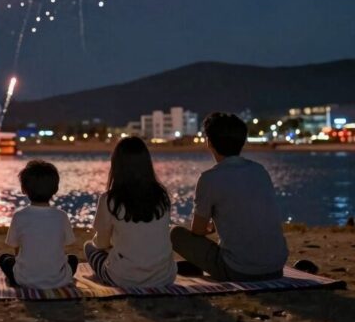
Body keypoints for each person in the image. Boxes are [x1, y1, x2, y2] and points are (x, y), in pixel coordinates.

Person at [171, 112, 289, 281]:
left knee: (175, 233)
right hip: (276, 268)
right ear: (242, 141)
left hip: (239, 271)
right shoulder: (259, 171)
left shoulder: (209, 178)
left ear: (209, 142)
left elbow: (197, 230)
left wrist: (210, 227)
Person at [84, 137, 176, 288]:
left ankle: (106, 274)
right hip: (164, 277)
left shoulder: (109, 199)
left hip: (124, 278)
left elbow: (101, 243)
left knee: (89, 247)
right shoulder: (162, 196)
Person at [0, 160, 78, 289]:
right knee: (73, 259)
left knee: (4, 258)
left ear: (24, 189)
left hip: (24, 279)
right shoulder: (62, 216)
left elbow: (16, 248)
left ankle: (16, 281)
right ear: (56, 189)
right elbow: (66, 244)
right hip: (58, 281)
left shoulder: (19, 216)